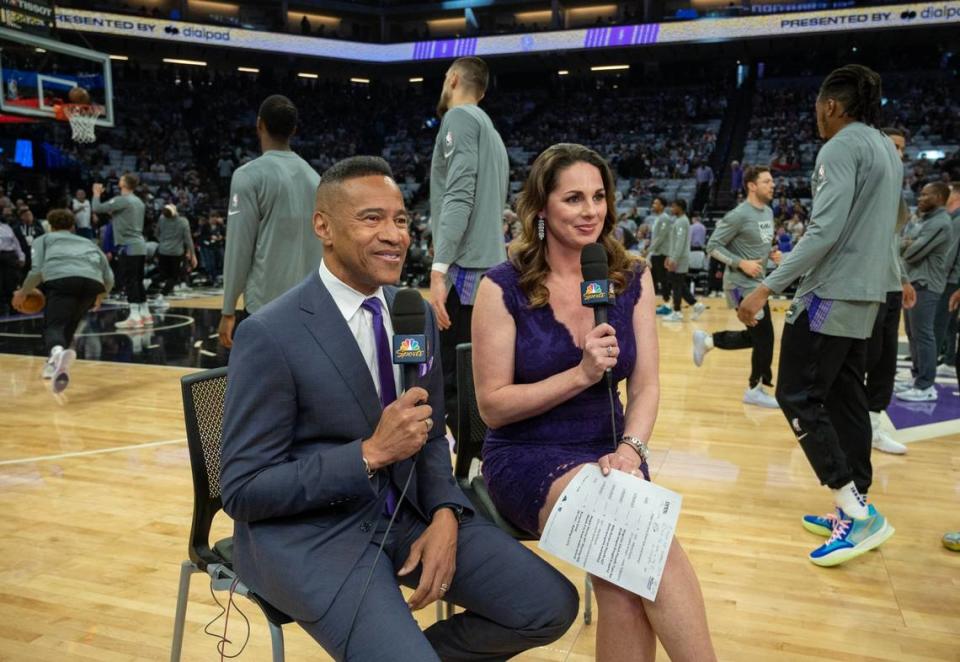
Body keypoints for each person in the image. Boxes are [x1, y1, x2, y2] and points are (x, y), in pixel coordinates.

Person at [220, 156, 578, 661]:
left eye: (402, 219)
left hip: (412, 515)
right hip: (318, 536)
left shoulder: (413, 316)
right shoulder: (271, 334)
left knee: (549, 605)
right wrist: (367, 454)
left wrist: (446, 513)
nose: (394, 235)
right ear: (323, 226)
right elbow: (243, 489)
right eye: (371, 219)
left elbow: (428, 435)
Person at [472, 143, 716, 661]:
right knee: (642, 547)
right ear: (541, 209)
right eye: (574, 198)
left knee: (627, 583)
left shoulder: (631, 276)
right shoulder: (502, 287)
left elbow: (646, 386)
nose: (590, 211)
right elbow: (492, 406)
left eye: (599, 197)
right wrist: (581, 374)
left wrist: (631, 451)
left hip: (614, 453)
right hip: (528, 453)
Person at [737, 65, 902, 566]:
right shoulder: (886, 150)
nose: (816, 116)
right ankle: (857, 506)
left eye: (817, 108)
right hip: (869, 294)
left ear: (831, 106)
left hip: (831, 293)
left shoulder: (840, 147)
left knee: (796, 394)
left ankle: (853, 508)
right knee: (847, 397)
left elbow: (825, 231)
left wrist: (766, 287)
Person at [428, 56, 508, 437]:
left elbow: (458, 195)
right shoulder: (491, 129)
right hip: (491, 269)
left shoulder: (458, 119)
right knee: (480, 379)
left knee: (454, 382)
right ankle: (481, 464)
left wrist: (439, 268)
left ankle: (467, 475)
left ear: (454, 78)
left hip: (464, 271)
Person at [219, 95, 322, 348]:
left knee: (260, 387)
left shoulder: (248, 175)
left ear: (259, 124)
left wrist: (228, 309)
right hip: (309, 307)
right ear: (294, 130)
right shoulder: (316, 178)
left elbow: (238, 248)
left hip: (266, 309)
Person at [693, 165, 779, 408]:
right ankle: (755, 388)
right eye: (766, 181)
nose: (772, 185)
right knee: (765, 337)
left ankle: (709, 341)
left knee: (758, 337)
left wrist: (772, 254)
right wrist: (740, 262)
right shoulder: (738, 215)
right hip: (738, 284)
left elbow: (759, 244)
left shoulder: (769, 213)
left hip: (758, 283)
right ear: (752, 185)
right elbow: (713, 247)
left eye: (772, 181)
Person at [12, 209, 113, 393]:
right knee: (70, 324)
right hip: (92, 284)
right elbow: (109, 277)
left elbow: (36, 271)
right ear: (73, 226)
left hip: (63, 280)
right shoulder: (88, 242)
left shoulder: (43, 240)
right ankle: (53, 365)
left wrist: (22, 292)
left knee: (54, 326)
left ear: (50, 226)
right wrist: (101, 295)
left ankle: (57, 353)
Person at [862, 128, 915, 455]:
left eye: (901, 149)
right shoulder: (866, 186)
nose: (898, 154)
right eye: (893, 147)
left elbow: (893, 246)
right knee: (862, 360)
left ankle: (873, 428)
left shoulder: (895, 191)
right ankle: (845, 424)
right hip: (866, 289)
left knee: (885, 365)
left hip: (891, 287)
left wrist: (905, 279)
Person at [897, 182, 953, 402]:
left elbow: (910, 253)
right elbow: (902, 244)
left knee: (923, 335)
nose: (920, 198)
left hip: (927, 284)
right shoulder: (923, 219)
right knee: (913, 334)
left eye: (925, 195)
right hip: (913, 283)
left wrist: (907, 244)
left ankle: (925, 386)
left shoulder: (940, 222)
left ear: (939, 197)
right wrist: (907, 244)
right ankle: (917, 377)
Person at [92, 173, 148, 329]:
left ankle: (135, 317)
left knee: (130, 281)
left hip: (128, 246)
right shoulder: (138, 201)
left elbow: (97, 208)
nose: (119, 180)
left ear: (124, 184)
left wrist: (96, 195)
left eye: (121, 179)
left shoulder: (122, 200)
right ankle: (145, 313)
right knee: (138, 280)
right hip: (139, 244)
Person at [663, 198, 705, 323]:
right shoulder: (680, 221)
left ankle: (677, 312)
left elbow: (680, 243)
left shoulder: (682, 221)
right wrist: (669, 256)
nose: (672, 209)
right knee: (679, 284)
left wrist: (674, 259)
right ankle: (696, 305)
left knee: (676, 286)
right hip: (677, 257)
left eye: (674, 206)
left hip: (680, 259)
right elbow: (674, 242)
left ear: (681, 207)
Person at [934, 181, 960, 374]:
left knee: (940, 322)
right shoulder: (953, 218)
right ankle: (949, 358)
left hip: (950, 279)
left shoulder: (957, 220)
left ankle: (935, 366)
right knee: (949, 322)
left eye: (950, 192)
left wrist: (939, 275)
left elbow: (949, 253)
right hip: (951, 278)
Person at [155, 204, 196, 299]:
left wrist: (162, 241)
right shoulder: (183, 222)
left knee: (164, 274)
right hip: (176, 252)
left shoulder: (161, 219)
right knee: (174, 276)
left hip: (163, 250)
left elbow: (156, 233)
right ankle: (163, 293)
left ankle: (155, 287)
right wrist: (193, 254)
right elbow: (188, 240)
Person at [646, 196, 673, 314]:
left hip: (662, 253)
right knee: (653, 280)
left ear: (662, 205)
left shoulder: (665, 218)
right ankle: (653, 304)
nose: (653, 205)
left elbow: (660, 237)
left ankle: (667, 304)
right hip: (656, 253)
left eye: (656, 203)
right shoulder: (658, 218)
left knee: (663, 280)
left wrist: (649, 249)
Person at [0, 212, 24, 316]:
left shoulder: (6, 227)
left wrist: (21, 257)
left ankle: (15, 310)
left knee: (11, 286)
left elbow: (16, 243)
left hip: (9, 257)